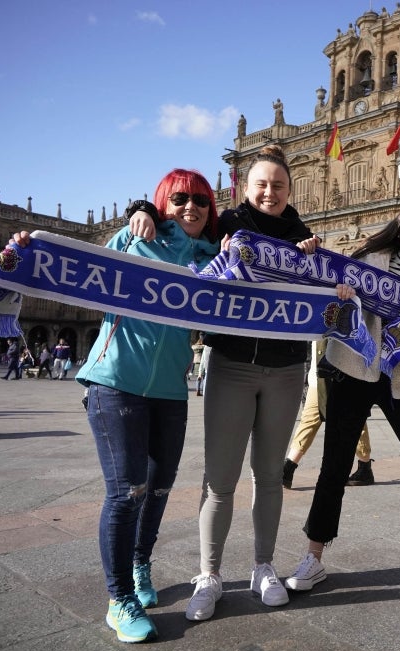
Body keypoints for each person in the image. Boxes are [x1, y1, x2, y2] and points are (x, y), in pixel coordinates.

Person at [14, 168, 222, 643]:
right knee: (127, 489)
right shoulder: (134, 237)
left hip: (170, 389)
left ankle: (140, 566)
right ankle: (118, 598)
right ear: (163, 202)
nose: (191, 207)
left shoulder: (213, 258)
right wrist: (33, 251)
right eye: (180, 198)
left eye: (201, 201)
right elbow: (80, 267)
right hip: (115, 382)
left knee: (161, 487)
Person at [129, 145, 326, 621]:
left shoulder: (306, 240)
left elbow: (324, 291)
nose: (269, 192)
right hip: (232, 365)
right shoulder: (224, 225)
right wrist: (141, 210)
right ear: (244, 187)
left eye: (278, 185)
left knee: (269, 478)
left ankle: (263, 567)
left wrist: (332, 283)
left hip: (284, 370)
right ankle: (210, 574)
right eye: (261, 183)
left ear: (290, 191)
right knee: (220, 480)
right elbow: (181, 223)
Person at [284, 198, 400, 596]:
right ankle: (313, 557)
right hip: (354, 365)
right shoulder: (368, 256)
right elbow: (328, 292)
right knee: (334, 465)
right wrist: (341, 290)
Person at [283, 339, 373, 489]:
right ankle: (289, 467)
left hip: (344, 371)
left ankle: (365, 465)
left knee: (352, 418)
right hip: (320, 374)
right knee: (312, 418)